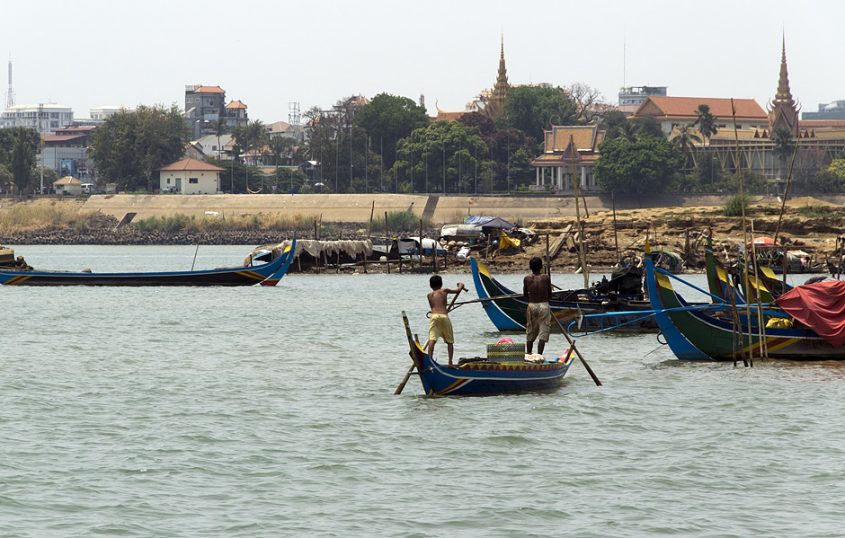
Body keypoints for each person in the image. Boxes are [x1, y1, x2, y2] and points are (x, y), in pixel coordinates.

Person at [427, 275, 465, 366]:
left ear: (430, 285)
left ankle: (429, 360)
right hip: (444, 316)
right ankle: (450, 362)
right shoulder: (444, 290)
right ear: (441, 284)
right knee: (450, 341)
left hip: (434, 316)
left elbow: (434, 306)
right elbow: (457, 291)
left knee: (432, 340)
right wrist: (460, 285)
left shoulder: (429, 295)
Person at [524, 257, 552, 355]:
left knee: (530, 331)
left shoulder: (527, 278)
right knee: (543, 333)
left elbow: (525, 295)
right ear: (541, 267)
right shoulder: (545, 278)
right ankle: (539, 356)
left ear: (530, 267)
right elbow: (550, 294)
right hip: (544, 305)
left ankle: (529, 354)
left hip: (531, 305)